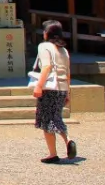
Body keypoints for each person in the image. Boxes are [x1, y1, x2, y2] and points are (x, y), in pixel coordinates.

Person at [33, 20, 76, 163]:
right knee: (56, 117)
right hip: (62, 88)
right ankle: (68, 140)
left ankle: (53, 153)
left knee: (47, 120)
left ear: (46, 34)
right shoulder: (63, 50)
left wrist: (38, 86)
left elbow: (46, 67)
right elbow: (68, 72)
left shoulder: (44, 46)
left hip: (50, 88)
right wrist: (68, 92)